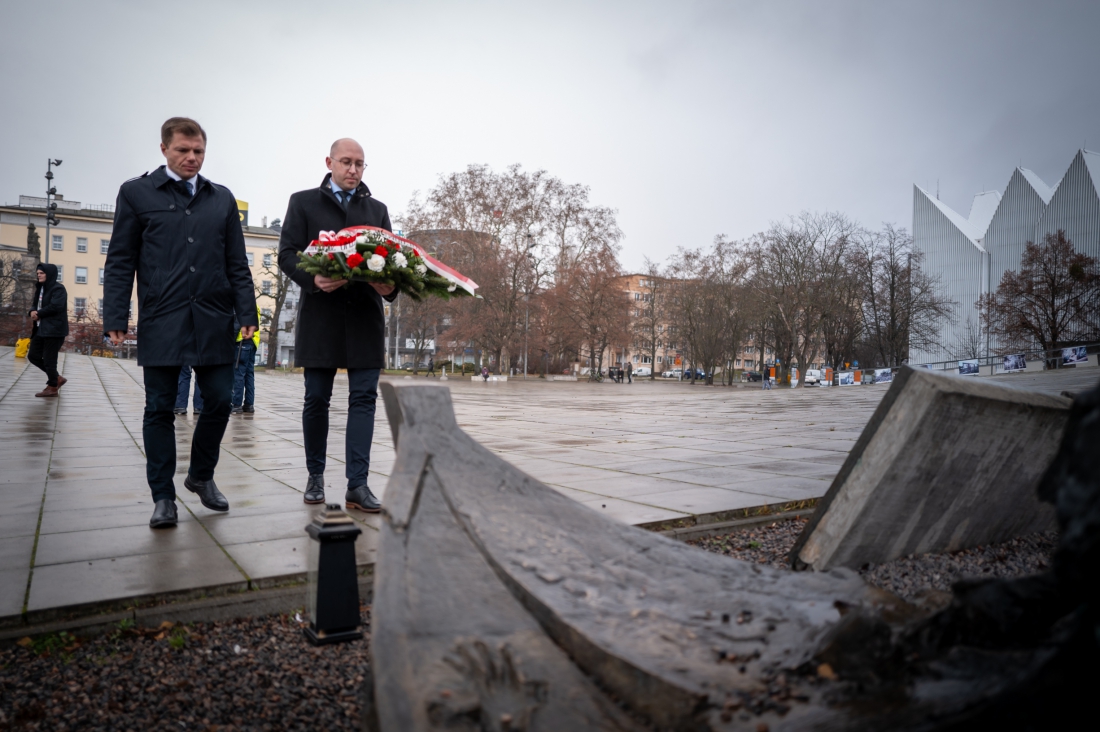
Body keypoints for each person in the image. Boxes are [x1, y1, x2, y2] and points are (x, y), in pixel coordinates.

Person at [104, 117, 258, 529]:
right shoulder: (136, 193)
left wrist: (247, 312)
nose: (192, 158)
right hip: (162, 317)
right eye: (183, 150)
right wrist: (116, 315)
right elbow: (120, 259)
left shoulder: (221, 199)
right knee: (159, 407)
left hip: (214, 317)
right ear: (164, 149)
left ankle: (201, 475)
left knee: (221, 400)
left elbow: (237, 262)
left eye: (198, 151)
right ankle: (163, 497)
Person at [278, 138, 396, 511]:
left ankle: (357, 485)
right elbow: (286, 253)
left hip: (365, 320)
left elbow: (393, 263)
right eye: (346, 162)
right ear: (329, 162)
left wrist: (389, 287)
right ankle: (315, 476)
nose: (353, 169)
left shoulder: (377, 210)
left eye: (360, 164)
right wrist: (311, 279)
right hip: (321, 318)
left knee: (364, 400)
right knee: (316, 398)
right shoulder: (303, 202)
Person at [27, 263, 69, 397]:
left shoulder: (58, 289)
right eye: (37, 273)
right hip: (40, 328)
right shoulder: (40, 288)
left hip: (54, 329)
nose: (38, 275)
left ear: (49, 274)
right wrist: (32, 311)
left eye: (41, 273)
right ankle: (57, 378)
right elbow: (35, 304)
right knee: (33, 356)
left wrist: (39, 313)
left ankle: (52, 387)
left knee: (49, 360)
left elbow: (56, 306)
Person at [232, 305, 261, 413]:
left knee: (239, 374)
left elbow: (237, 325)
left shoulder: (242, 305)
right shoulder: (255, 306)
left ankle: (236, 404)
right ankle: (249, 404)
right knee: (249, 375)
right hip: (253, 343)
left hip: (242, 342)